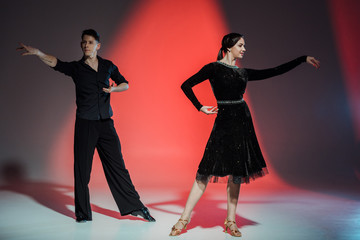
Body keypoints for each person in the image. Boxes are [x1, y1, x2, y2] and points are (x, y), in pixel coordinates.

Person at [169, 33, 320, 237]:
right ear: (229, 46)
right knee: (204, 172)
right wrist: (199, 107)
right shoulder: (213, 68)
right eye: (241, 45)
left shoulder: (243, 73)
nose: (244, 49)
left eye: (244, 45)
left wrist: (302, 59)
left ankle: (230, 221)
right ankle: (183, 219)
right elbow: (186, 85)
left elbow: (274, 71)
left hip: (242, 123)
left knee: (236, 174)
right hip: (223, 123)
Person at [17, 29, 155, 223]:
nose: (86, 45)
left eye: (90, 42)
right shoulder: (76, 68)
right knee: (82, 170)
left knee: (118, 167)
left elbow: (126, 84)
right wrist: (39, 53)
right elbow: (56, 63)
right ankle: (82, 213)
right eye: (84, 42)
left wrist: (115, 88)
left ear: (98, 45)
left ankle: (135, 207)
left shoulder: (108, 66)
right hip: (85, 124)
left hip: (106, 124)